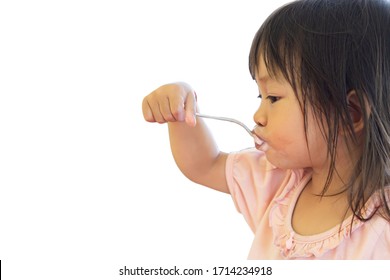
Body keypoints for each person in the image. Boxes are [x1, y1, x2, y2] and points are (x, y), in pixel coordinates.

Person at [141, 0, 390, 259]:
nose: (258, 116)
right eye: (260, 97)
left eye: (272, 97)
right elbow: (205, 164)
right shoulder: (276, 183)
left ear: (351, 113)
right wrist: (180, 111)